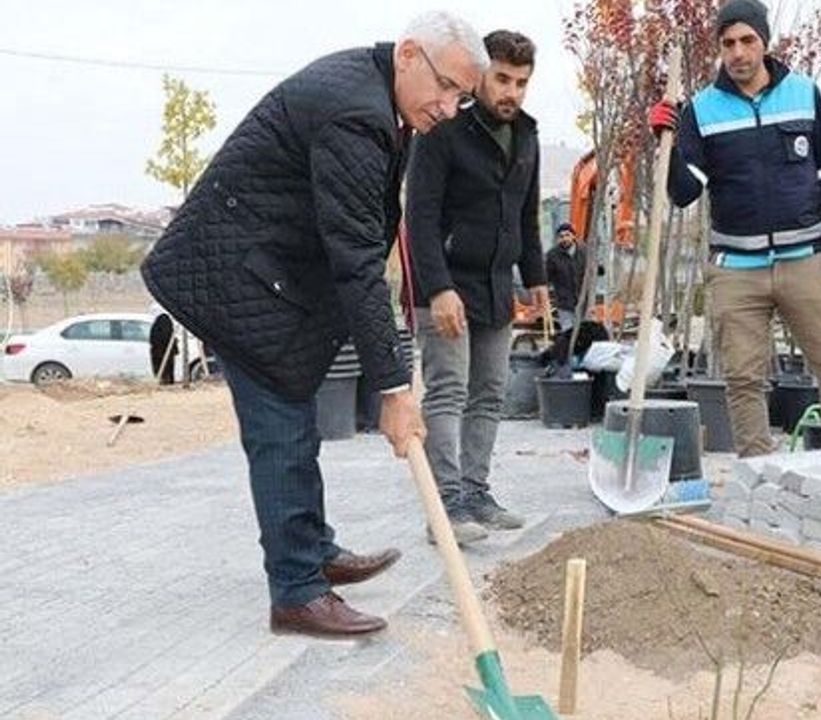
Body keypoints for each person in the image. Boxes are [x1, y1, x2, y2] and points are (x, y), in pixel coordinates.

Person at [140, 12, 487, 638]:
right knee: (280, 427)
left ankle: (311, 549)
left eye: (462, 96)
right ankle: (297, 591)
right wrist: (394, 389)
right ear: (408, 54)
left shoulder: (385, 97)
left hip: (268, 273)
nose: (450, 107)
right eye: (446, 88)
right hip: (233, 280)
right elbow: (356, 258)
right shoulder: (355, 112)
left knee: (293, 413)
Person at [648, 0, 821, 457]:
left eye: (747, 40)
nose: (738, 52)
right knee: (742, 379)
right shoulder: (702, 110)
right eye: (728, 43)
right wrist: (664, 142)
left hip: (807, 258)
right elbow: (686, 192)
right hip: (736, 269)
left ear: (764, 42)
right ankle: (756, 474)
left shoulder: (804, 94)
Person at [406, 30, 547, 545]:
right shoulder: (443, 131)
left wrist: (535, 279)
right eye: (502, 79)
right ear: (480, 75)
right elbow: (418, 216)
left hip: (495, 288)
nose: (511, 92)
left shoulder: (527, 135)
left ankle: (475, 495)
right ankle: (444, 509)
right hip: (446, 286)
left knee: (489, 394)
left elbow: (527, 217)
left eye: (521, 83)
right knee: (448, 391)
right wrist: (437, 287)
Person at [545, 222, 587, 332]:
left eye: (567, 235)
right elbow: (547, 277)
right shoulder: (552, 255)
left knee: (584, 334)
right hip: (564, 303)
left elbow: (593, 269)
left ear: (573, 236)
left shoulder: (584, 252)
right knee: (568, 333)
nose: (564, 239)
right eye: (561, 236)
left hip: (583, 302)